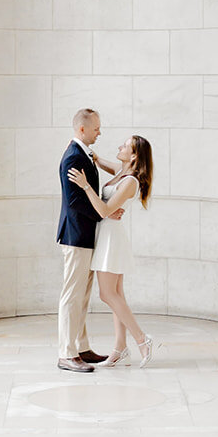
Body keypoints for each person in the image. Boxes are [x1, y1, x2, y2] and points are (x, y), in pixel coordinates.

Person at [68, 133, 156, 367]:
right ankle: (120, 347)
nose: (120, 145)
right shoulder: (122, 171)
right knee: (117, 295)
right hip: (108, 235)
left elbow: (105, 211)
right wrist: (91, 154)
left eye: (125, 145)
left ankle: (142, 339)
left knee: (107, 294)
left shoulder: (130, 181)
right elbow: (101, 161)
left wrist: (86, 186)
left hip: (111, 238)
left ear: (135, 155)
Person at [56, 107, 123, 373]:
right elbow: (75, 202)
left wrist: (106, 209)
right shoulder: (73, 157)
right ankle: (66, 353)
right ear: (82, 129)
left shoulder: (85, 154)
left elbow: (88, 197)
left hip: (84, 235)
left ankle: (81, 348)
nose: (99, 132)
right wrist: (103, 213)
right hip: (75, 236)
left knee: (81, 296)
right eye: (96, 128)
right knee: (71, 296)